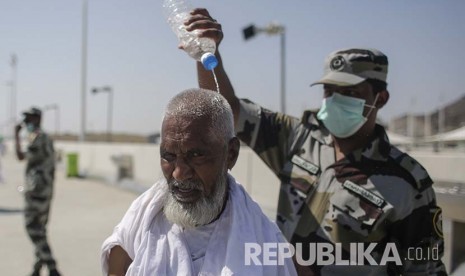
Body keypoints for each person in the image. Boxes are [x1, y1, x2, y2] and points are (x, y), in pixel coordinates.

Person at [186, 8, 447, 275]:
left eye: (349, 92)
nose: (335, 100)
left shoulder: (408, 182)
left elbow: (425, 270)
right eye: (329, 91)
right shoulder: (298, 139)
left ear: (380, 98)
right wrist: (208, 53)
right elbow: (227, 109)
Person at [101, 89, 297, 276]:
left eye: (196, 155)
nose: (179, 174)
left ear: (230, 154)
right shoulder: (142, 218)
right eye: (168, 156)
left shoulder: (265, 242)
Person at [14, 107, 61, 276]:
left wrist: (16, 135)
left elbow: (20, 156)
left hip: (36, 191)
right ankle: (37, 269)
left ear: (36, 119)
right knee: (40, 230)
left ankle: (53, 268)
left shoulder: (37, 138)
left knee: (32, 227)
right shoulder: (46, 137)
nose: (26, 123)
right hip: (45, 190)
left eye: (28, 119)